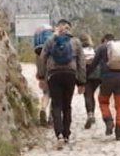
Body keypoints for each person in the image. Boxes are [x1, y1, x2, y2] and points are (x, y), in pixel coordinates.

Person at [36, 19, 86, 147]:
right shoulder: (75, 42)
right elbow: (81, 63)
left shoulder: (50, 40)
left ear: (58, 28)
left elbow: (42, 58)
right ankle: (66, 135)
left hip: (54, 75)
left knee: (56, 105)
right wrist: (81, 82)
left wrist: (41, 76)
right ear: (69, 29)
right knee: (67, 105)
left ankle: (58, 135)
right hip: (70, 75)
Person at [90, 33, 120, 141]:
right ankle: (119, 133)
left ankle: (109, 122)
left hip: (107, 79)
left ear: (104, 40)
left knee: (103, 101)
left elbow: (94, 64)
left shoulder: (102, 47)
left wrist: (86, 76)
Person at [32, 24, 54, 126]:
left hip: (44, 74)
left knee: (46, 93)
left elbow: (39, 64)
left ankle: (43, 108)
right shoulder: (52, 46)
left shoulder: (38, 50)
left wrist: (40, 77)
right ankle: (51, 118)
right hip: (54, 73)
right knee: (55, 96)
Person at [79, 33, 101, 129]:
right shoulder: (93, 50)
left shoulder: (80, 50)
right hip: (97, 76)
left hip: (87, 75)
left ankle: (90, 114)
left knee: (87, 95)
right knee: (92, 95)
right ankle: (92, 115)